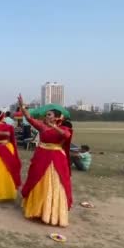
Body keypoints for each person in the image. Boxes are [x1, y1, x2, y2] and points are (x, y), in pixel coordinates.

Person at [19, 94, 73, 227]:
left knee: (54, 183)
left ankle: (50, 213)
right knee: (37, 179)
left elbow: (66, 136)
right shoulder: (42, 126)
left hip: (56, 157)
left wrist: (53, 126)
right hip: (42, 155)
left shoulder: (65, 128)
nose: (46, 116)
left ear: (56, 117)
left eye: (49, 115)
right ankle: (36, 209)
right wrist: (22, 106)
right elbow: (29, 118)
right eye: (46, 115)